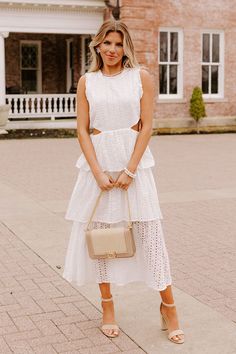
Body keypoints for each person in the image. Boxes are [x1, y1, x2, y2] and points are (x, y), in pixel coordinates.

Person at [63, 19, 184, 344]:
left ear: (125, 46)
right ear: (97, 46)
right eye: (107, 43)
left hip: (135, 167)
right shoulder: (87, 81)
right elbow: (82, 130)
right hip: (98, 167)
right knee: (102, 240)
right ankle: (107, 308)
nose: (112, 50)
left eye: (118, 44)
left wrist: (130, 170)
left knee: (150, 236)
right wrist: (98, 172)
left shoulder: (139, 77)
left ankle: (169, 307)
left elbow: (146, 126)